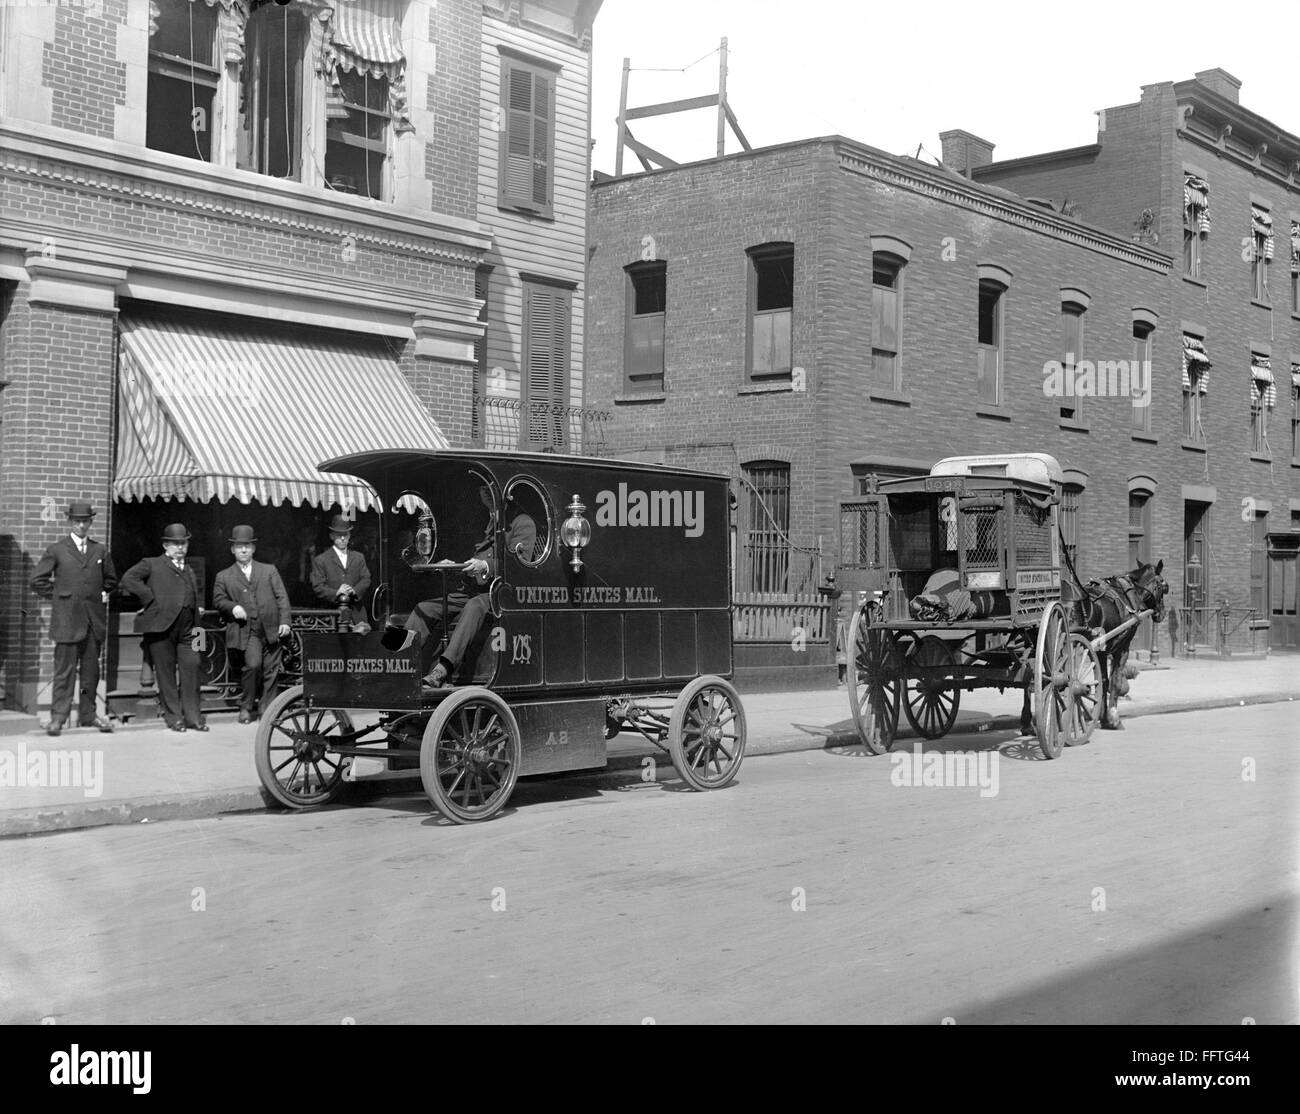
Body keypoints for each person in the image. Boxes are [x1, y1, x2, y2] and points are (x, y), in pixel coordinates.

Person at [383, 486, 535, 687]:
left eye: (491, 488)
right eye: (482, 490)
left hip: (501, 594)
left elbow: (520, 564)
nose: (486, 493)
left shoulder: (522, 523)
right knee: (425, 608)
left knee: (474, 606)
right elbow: (474, 560)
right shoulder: (486, 521)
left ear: (505, 493)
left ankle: (442, 669)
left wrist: (486, 566)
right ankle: (395, 664)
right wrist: (455, 566)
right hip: (473, 589)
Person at [30, 500, 118, 735]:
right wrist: (60, 596)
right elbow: (37, 580)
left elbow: (111, 581)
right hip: (67, 622)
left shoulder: (100, 550)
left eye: (85, 521)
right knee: (64, 672)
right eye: (77, 521)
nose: (81, 525)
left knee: (91, 673)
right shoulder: (57, 549)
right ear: (70, 522)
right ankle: (58, 718)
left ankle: (89, 715)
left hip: (93, 623)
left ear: (90, 522)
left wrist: (103, 594)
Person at [121, 523, 206, 733]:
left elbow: (195, 600)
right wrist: (149, 598)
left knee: (193, 668)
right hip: (161, 629)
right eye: (175, 544)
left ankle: (193, 718)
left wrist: (200, 634)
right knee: (166, 675)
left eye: (183, 543)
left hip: (189, 629)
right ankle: (174, 718)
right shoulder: (152, 564)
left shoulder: (189, 569)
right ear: (165, 545)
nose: (180, 547)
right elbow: (128, 579)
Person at [212, 525, 293, 724]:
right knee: (253, 665)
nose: (244, 550)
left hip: (272, 628)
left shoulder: (269, 570)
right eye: (239, 546)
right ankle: (246, 705)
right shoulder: (224, 576)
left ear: (253, 548)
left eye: (247, 546)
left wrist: (285, 621)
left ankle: (268, 711)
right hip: (247, 631)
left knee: (272, 670)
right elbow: (218, 600)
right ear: (232, 549)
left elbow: (282, 597)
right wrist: (232, 607)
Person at [309, 514, 372, 633]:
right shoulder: (321, 560)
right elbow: (317, 586)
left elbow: (366, 578)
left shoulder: (358, 557)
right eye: (339, 535)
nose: (343, 538)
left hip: (357, 615)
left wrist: (354, 590)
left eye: (345, 535)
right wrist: (336, 592)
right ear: (332, 536)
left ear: (349, 536)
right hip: (331, 616)